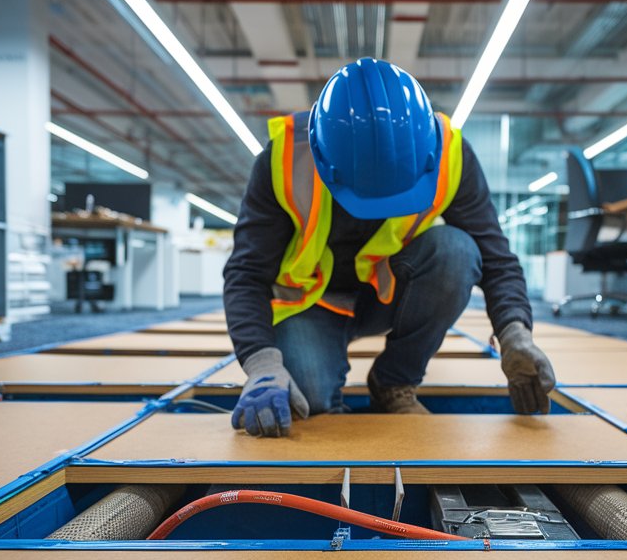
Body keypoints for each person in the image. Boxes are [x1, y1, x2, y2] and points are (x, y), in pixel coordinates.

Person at [223, 57, 555, 436]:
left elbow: (496, 258)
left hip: (390, 293)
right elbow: (246, 273)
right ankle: (315, 371)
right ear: (322, 157)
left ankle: (394, 382)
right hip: (310, 303)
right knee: (306, 404)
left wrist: (515, 333)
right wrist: (262, 364)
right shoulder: (284, 159)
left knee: (457, 252)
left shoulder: (450, 155)